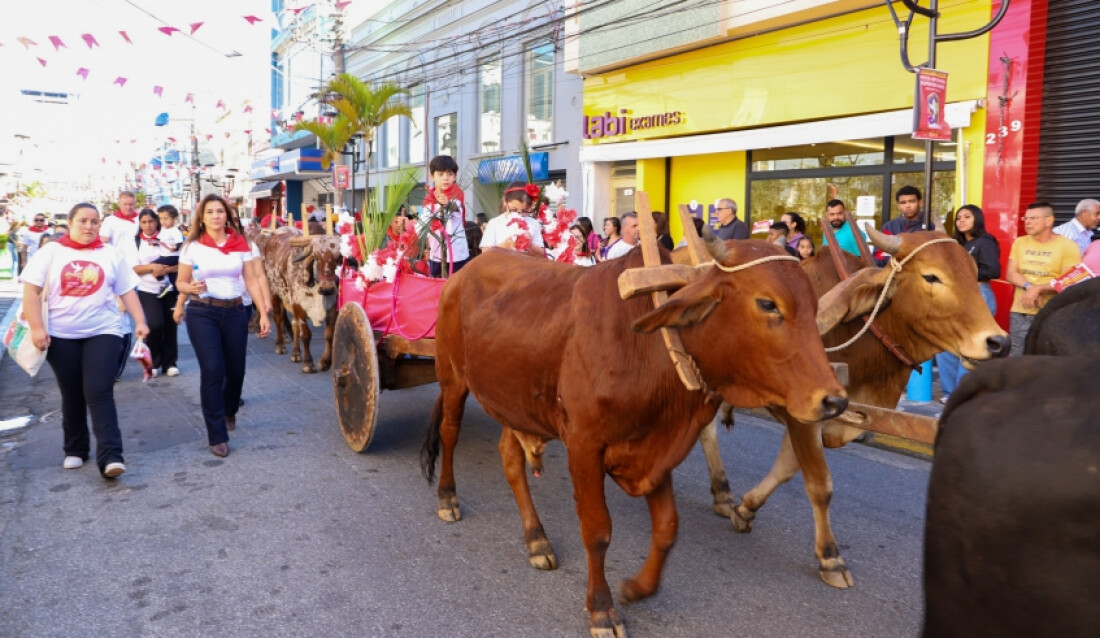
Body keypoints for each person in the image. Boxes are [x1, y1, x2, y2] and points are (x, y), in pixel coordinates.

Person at [19, 202, 149, 479]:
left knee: (98, 390)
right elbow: (31, 292)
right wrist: (37, 328)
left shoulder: (110, 254)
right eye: (83, 221)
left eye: (94, 222)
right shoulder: (51, 252)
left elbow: (127, 292)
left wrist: (140, 322)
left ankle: (111, 456)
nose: (89, 227)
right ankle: (75, 449)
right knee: (72, 392)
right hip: (61, 335)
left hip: (104, 331)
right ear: (70, 222)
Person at [176, 194, 271, 458]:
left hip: (236, 312)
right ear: (202, 217)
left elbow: (251, 280)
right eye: (210, 212)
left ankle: (230, 409)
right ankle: (217, 435)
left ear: (227, 215)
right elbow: (180, 283)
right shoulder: (192, 247)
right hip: (202, 312)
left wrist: (263, 313)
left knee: (236, 371)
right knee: (213, 370)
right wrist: (189, 287)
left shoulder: (240, 244)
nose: (216, 216)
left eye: (220, 211)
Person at [934, 205, 1001, 403]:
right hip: (955, 295)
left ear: (977, 219)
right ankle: (950, 393)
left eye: (967, 216)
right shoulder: (958, 244)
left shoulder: (985, 242)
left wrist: (957, 274)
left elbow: (992, 271)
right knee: (947, 346)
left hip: (978, 295)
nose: (961, 220)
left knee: (971, 347)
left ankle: (964, 393)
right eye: (958, 217)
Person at [1004, 202, 1081, 355]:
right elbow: (1011, 273)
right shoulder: (1020, 242)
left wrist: (1039, 288)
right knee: (1017, 355)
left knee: (1045, 356)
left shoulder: (1068, 246)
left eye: (1033, 218)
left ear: (1049, 220)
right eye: (1025, 218)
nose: (1027, 222)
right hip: (1021, 310)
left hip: (1052, 311)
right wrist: (1030, 287)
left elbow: (1068, 281)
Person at [124, 210, 180, 378]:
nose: (148, 225)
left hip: (169, 288)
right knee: (155, 325)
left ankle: (170, 363)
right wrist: (152, 268)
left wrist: (166, 269)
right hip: (147, 290)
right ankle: (153, 362)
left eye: (151, 221)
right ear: (139, 224)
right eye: (144, 222)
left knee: (171, 325)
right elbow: (134, 268)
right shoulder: (134, 242)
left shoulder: (168, 237)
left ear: (157, 222)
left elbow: (182, 263)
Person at [420, 155, 469, 277]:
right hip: (436, 251)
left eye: (450, 174)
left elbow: (458, 208)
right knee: (437, 286)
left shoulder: (457, 193)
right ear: (432, 176)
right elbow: (425, 223)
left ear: (455, 176)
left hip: (457, 252)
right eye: (441, 174)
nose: (446, 178)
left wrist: (448, 204)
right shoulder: (428, 198)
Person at [480, 183, 546, 255]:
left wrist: (529, 244)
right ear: (505, 202)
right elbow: (485, 253)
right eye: (514, 210)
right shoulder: (494, 223)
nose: (518, 214)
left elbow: (541, 253)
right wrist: (505, 245)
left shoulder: (533, 223)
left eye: (524, 211)